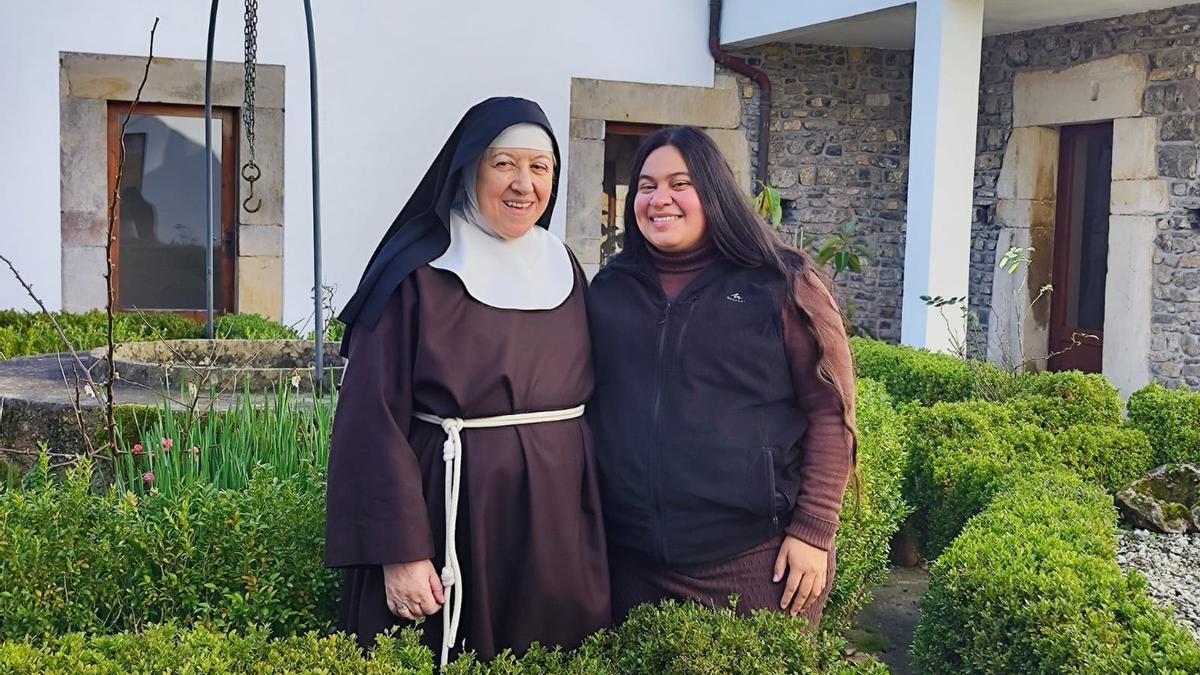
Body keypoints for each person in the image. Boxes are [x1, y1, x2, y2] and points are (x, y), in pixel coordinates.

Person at [326, 97, 610, 666]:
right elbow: (369, 422)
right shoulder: (416, 277)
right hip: (449, 518)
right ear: (468, 169)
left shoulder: (566, 266)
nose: (524, 184)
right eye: (504, 164)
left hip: (557, 531)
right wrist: (400, 553)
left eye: (540, 167)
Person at [586, 126, 856, 629]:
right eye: (646, 186)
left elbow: (829, 411)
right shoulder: (609, 290)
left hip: (755, 561)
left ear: (713, 190)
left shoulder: (782, 283)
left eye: (679, 183)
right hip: (629, 562)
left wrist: (815, 530)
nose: (659, 199)